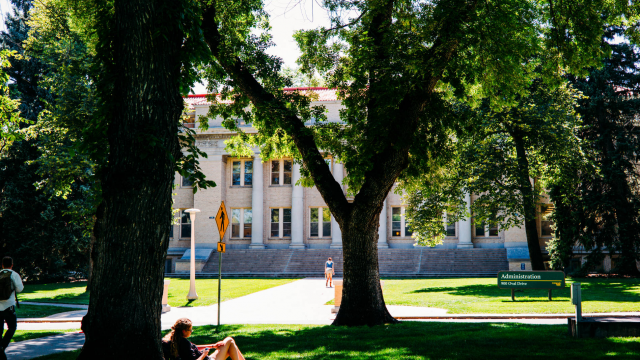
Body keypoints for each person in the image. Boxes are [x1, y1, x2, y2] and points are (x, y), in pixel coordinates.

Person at [163, 318, 245, 360]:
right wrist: (204, 354)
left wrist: (213, 346)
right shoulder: (184, 343)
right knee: (229, 340)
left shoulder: (175, 340)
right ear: (184, 331)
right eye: (190, 330)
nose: (191, 331)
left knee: (230, 344)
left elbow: (194, 347)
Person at [0, 257, 23, 360]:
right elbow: (20, 289)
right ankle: (2, 347)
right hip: (9, 306)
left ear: (2, 265)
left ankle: (1, 350)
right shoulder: (14, 274)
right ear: (12, 265)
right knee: (12, 327)